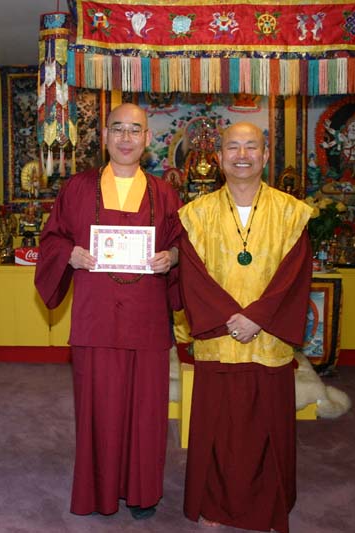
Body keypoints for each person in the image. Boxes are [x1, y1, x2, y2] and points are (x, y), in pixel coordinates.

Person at [34, 103, 183, 520]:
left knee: (146, 411)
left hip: (147, 320)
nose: (125, 138)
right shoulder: (78, 188)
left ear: (147, 138)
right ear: (104, 136)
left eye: (134, 130)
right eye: (117, 129)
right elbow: (52, 240)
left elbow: (182, 244)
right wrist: (69, 253)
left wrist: (172, 257)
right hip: (96, 317)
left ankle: (142, 493)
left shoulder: (164, 192)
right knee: (98, 408)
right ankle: (98, 492)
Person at [177, 122, 313, 532]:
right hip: (219, 340)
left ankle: (268, 506)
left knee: (267, 427)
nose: (242, 155)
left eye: (251, 147)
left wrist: (257, 317)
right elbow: (192, 275)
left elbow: (295, 274)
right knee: (217, 428)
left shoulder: (291, 212)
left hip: (268, 340)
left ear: (265, 155)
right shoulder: (196, 214)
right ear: (219, 158)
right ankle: (213, 504)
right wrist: (228, 317)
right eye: (233, 147)